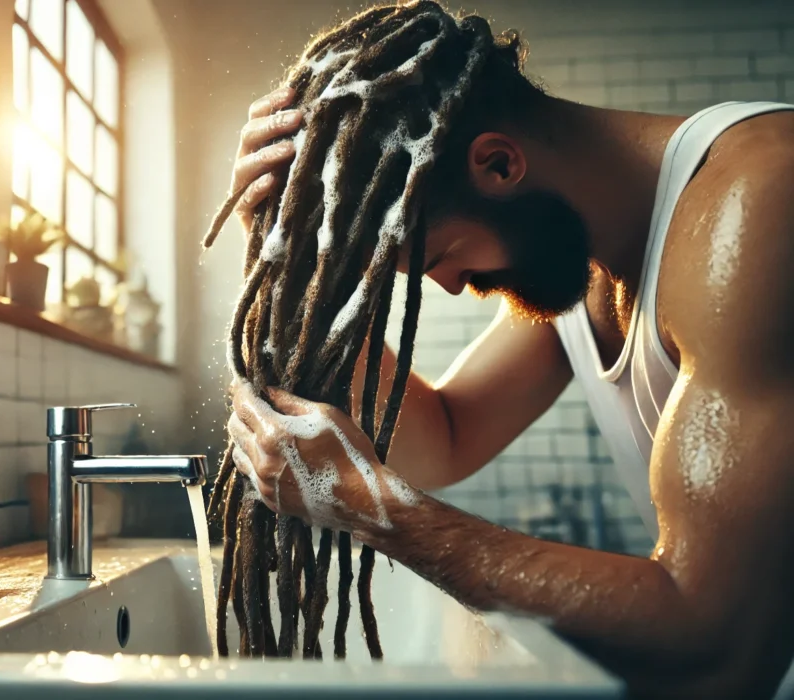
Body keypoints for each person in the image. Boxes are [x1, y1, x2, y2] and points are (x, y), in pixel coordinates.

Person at [222, 7, 794, 699]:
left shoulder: (759, 203)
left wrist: (372, 507)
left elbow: (714, 633)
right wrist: (294, 263)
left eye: (440, 257)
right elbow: (445, 440)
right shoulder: (593, 260)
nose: (456, 287)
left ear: (498, 162)